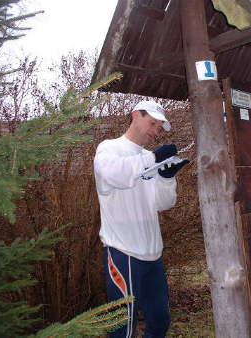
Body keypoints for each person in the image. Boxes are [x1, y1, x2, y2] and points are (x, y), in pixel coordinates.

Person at [93, 100, 189, 338]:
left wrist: (167, 178)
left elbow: (163, 203)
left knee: (160, 321)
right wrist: (153, 160)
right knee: (123, 328)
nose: (155, 130)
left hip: (153, 254)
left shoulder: (149, 157)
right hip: (123, 252)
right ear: (136, 115)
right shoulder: (109, 149)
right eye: (153, 122)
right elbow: (114, 175)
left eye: (159, 127)